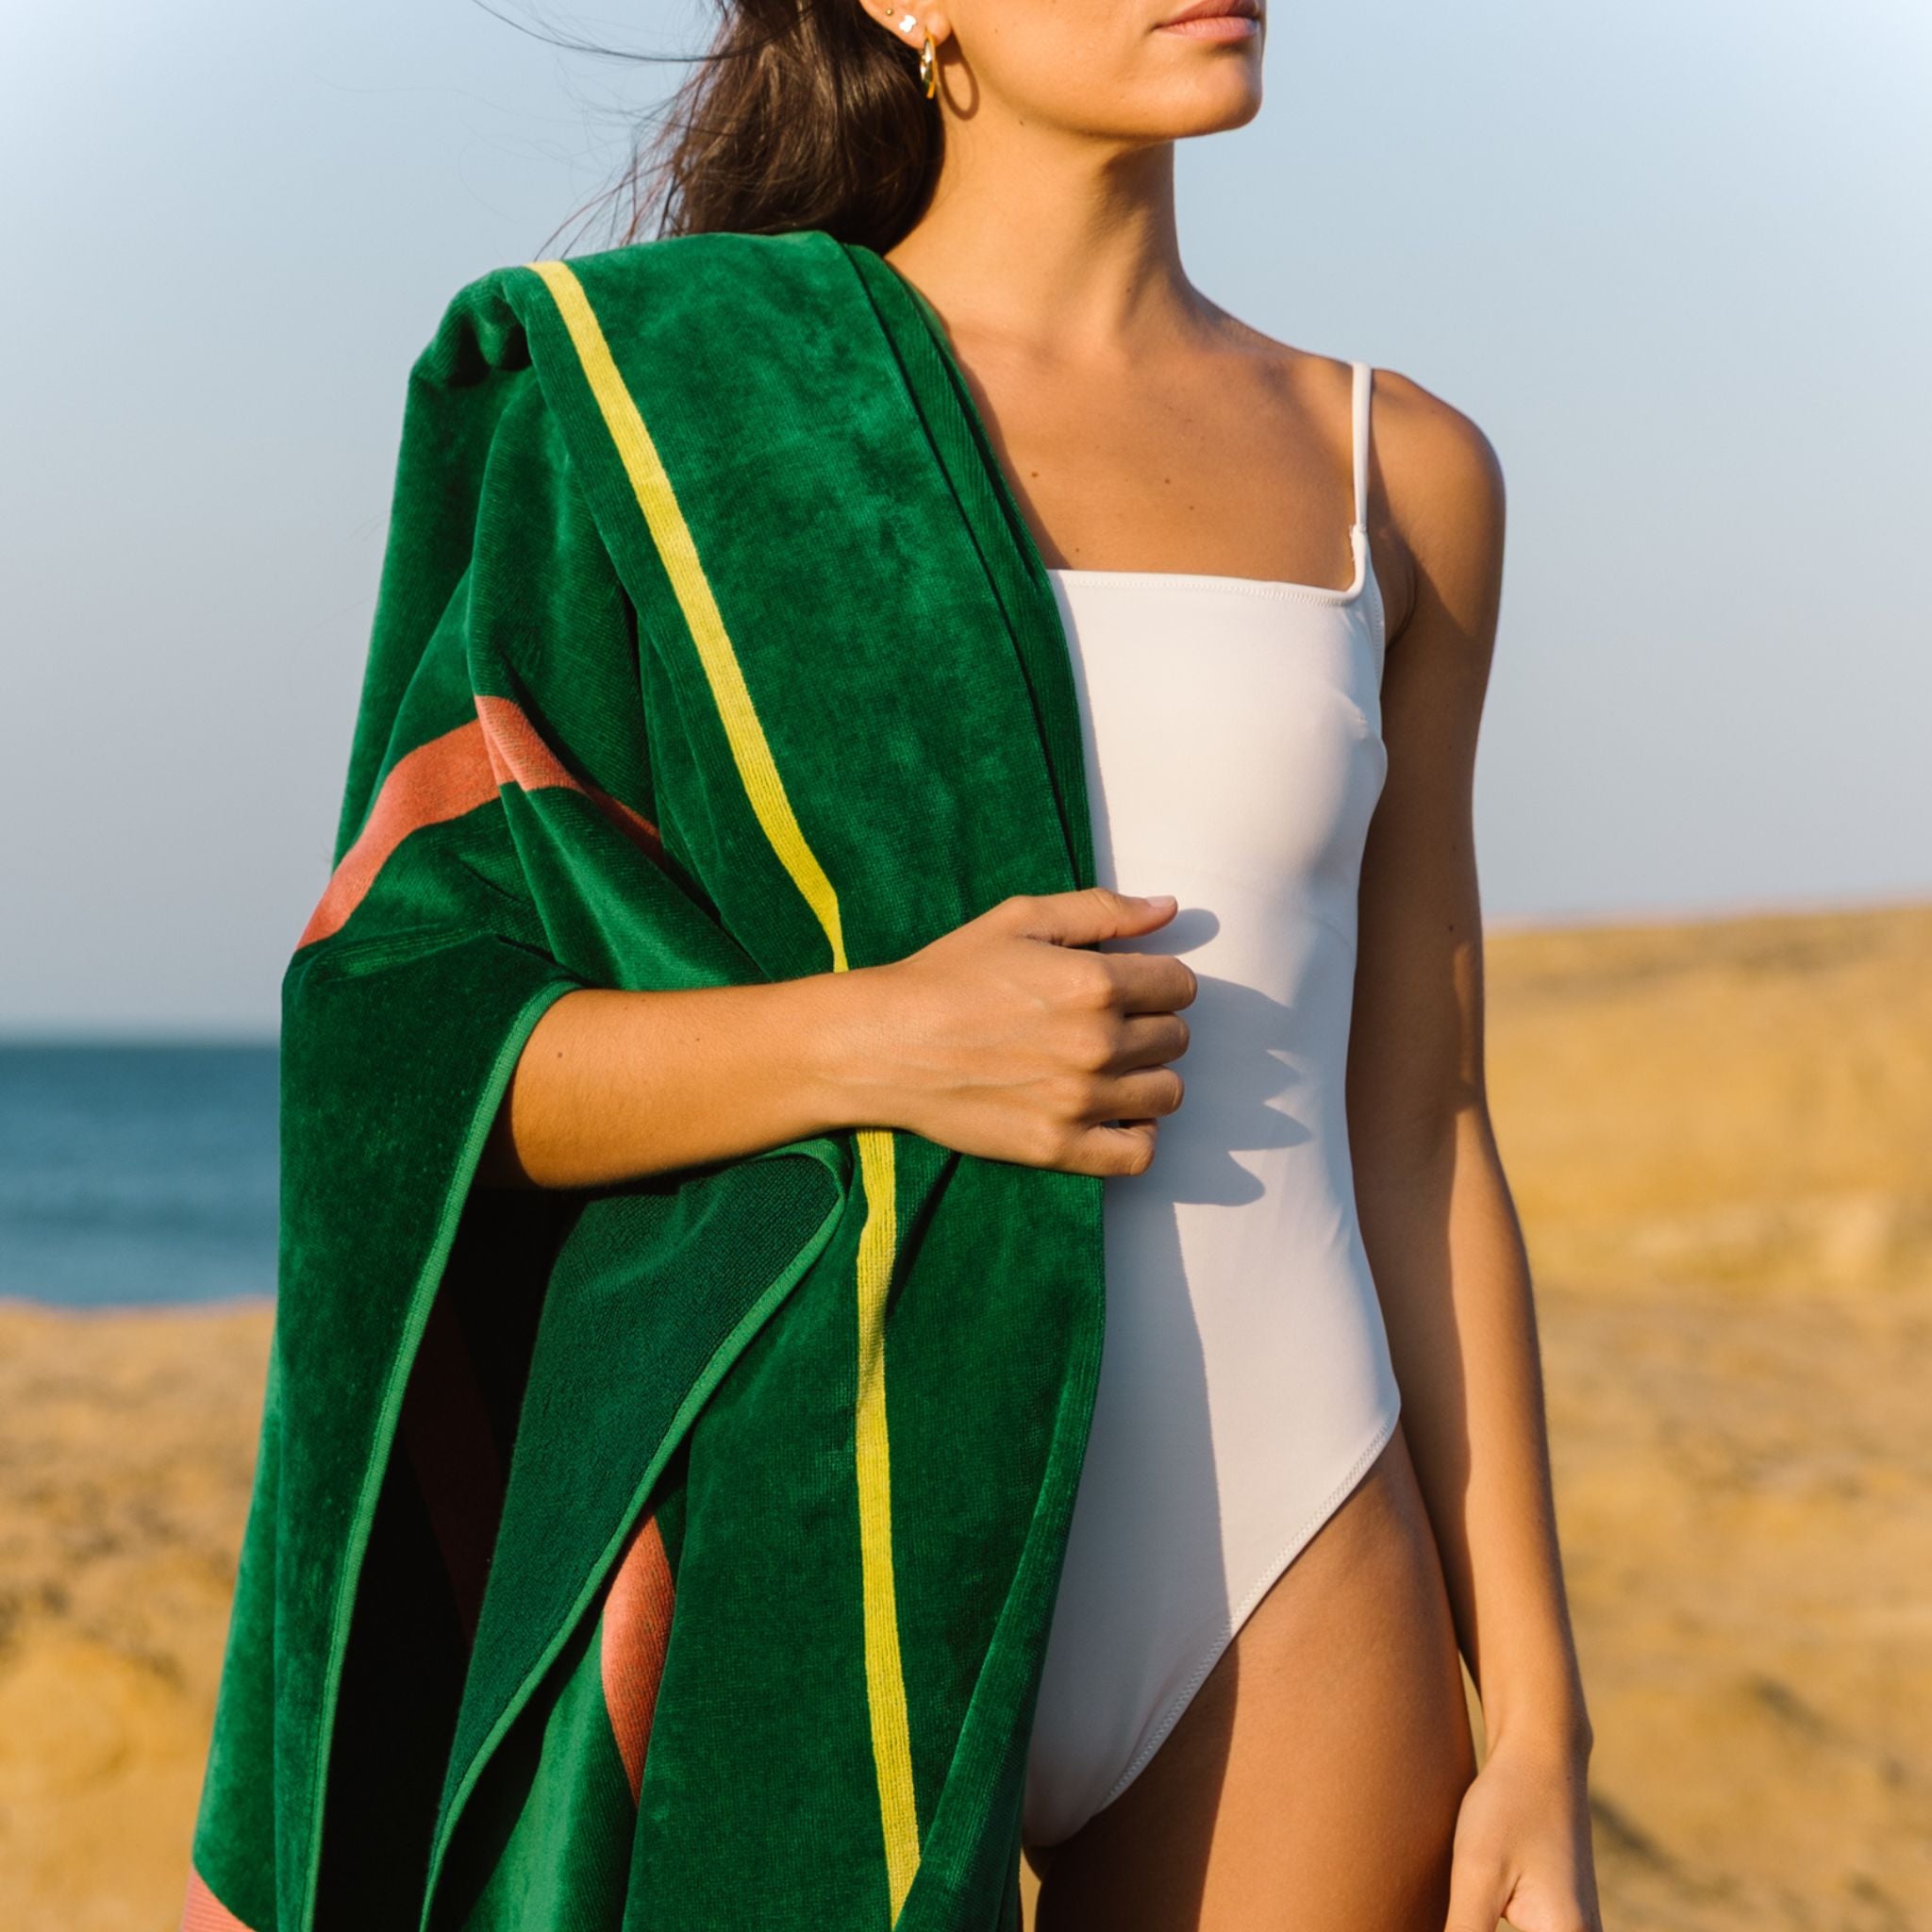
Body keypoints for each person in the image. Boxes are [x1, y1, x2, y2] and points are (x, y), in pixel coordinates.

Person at [183, 5, 1601, 1930]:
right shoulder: (671, 416)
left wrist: (1533, 1724)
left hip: (1284, 1557)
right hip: (800, 1525)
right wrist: (882, 1041)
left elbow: (1424, 1130)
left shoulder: (1400, 472)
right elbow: (406, 1063)